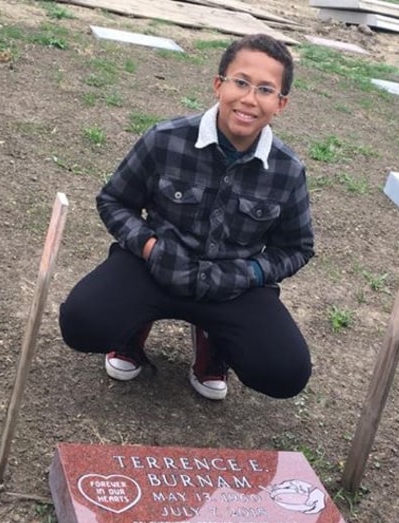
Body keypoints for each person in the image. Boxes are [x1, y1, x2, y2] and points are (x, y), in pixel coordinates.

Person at [59, 33, 314, 401]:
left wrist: (251, 273)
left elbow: (296, 247)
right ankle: (132, 328)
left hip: (231, 287)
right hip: (155, 269)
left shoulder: (287, 170)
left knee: (284, 373)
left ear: (281, 103)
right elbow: (114, 201)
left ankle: (214, 343)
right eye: (240, 82)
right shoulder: (165, 139)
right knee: (82, 324)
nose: (248, 99)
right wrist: (149, 247)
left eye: (265, 89)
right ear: (218, 85)